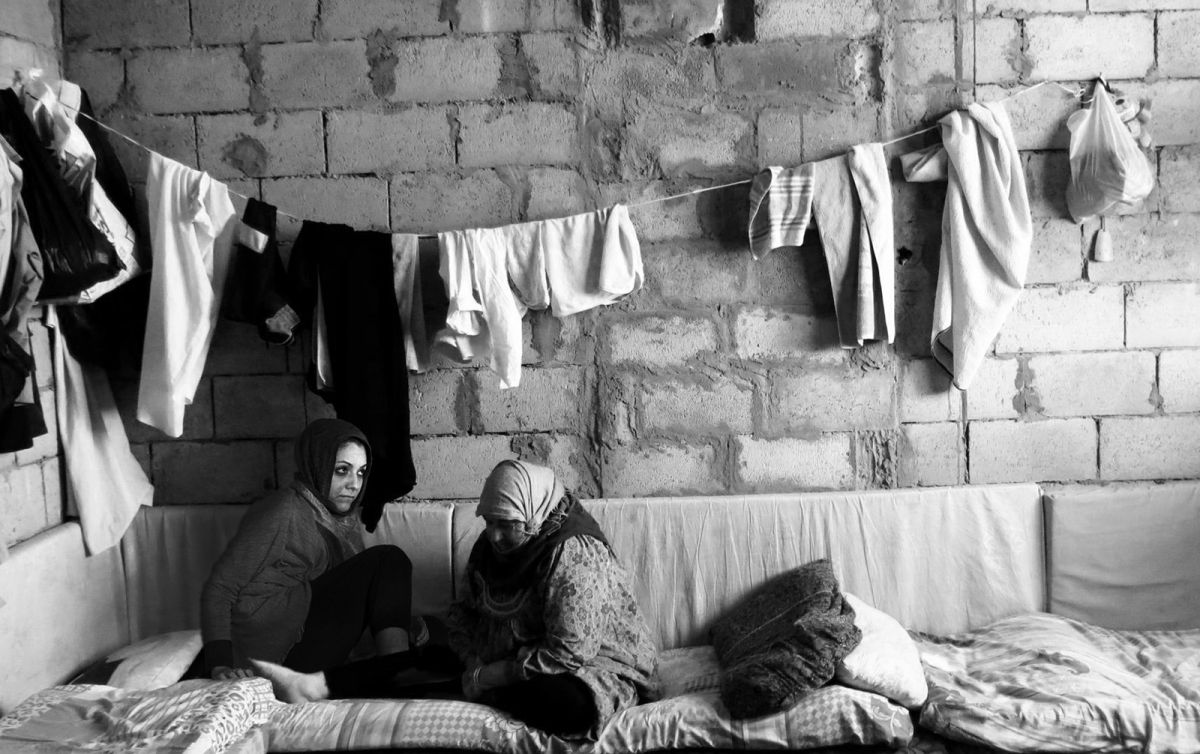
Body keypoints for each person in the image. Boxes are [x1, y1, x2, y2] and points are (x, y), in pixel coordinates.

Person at [253, 459, 660, 739]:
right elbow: (464, 614)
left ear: (533, 514)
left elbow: (571, 651)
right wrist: (472, 659)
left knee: (565, 705)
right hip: (505, 652)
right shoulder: (491, 546)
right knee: (427, 658)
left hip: (588, 666)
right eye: (489, 521)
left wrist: (489, 676)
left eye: (507, 525)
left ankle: (466, 687)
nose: (494, 536)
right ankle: (315, 685)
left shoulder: (574, 553)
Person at [200, 418, 419, 679]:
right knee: (389, 560)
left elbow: (352, 600)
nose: (354, 484)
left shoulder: (342, 521)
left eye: (361, 472)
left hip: (309, 638)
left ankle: (394, 668)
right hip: (279, 648)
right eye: (342, 470)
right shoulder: (284, 511)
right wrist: (220, 664)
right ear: (318, 465)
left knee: (431, 631)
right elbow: (221, 588)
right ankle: (396, 675)